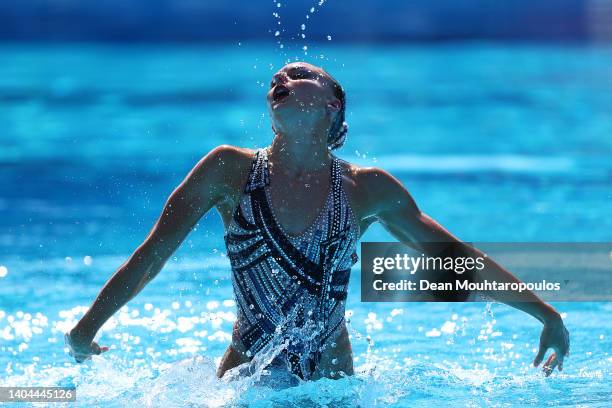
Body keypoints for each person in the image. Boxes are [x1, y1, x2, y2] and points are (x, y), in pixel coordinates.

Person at [65, 62, 570, 380]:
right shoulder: (228, 170)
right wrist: (85, 331)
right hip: (247, 381)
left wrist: (547, 315)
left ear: (333, 106)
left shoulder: (367, 189)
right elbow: (152, 254)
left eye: (298, 75)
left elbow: (457, 262)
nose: (281, 82)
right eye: (275, 82)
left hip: (334, 386)